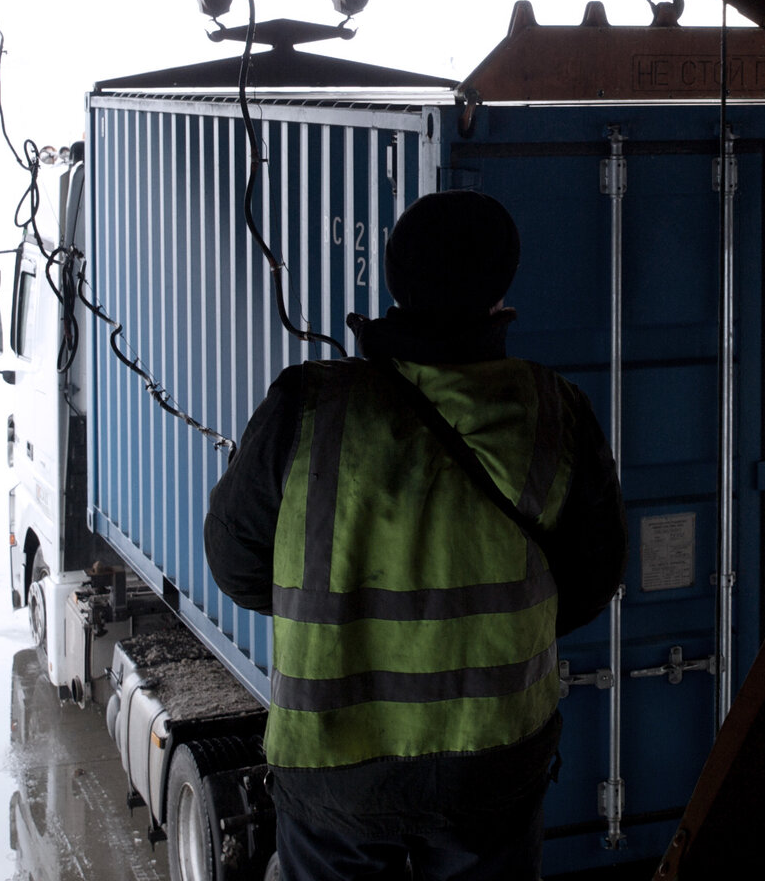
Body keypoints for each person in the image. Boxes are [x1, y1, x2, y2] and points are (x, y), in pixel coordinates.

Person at [204, 190, 628, 881]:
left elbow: (238, 569)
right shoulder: (553, 410)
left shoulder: (308, 406)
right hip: (492, 769)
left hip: (332, 763)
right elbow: (588, 581)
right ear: (502, 287)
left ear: (394, 280)